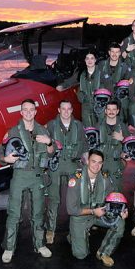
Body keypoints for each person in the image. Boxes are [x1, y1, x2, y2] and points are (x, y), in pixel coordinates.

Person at [0, 99, 54, 263]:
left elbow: (51, 152)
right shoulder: (13, 132)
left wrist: (49, 142)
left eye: (31, 110)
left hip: (37, 176)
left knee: (38, 213)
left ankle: (40, 244)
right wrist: (5, 158)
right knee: (14, 213)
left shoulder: (43, 131)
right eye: (25, 110)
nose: (28, 113)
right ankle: (9, 247)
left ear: (35, 112)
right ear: (21, 113)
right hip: (20, 176)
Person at [66, 150, 128, 267]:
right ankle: (73, 235)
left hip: (100, 213)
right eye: (93, 161)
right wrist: (93, 211)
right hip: (80, 217)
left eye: (100, 163)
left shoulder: (105, 179)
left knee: (119, 222)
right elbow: (71, 209)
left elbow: (115, 197)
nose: (96, 165)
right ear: (87, 161)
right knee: (81, 255)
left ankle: (104, 252)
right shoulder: (76, 179)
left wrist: (122, 210)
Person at [44, 99, 86, 245]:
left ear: (72, 110)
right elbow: (45, 147)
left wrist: (86, 168)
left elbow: (85, 148)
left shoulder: (79, 126)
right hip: (56, 164)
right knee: (54, 198)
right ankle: (51, 229)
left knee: (74, 198)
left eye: (69, 108)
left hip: (73, 164)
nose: (66, 111)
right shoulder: (51, 125)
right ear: (59, 110)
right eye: (64, 108)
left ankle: (75, 230)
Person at [96, 100, 129, 192]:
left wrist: (122, 139)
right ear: (105, 111)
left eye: (114, 109)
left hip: (116, 164)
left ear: (117, 111)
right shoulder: (98, 126)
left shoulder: (122, 126)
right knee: (100, 190)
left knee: (117, 191)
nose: (111, 112)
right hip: (100, 163)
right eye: (109, 109)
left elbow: (130, 147)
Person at [77, 51, 102, 126]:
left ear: (95, 60)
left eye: (92, 58)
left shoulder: (102, 73)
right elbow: (79, 88)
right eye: (87, 58)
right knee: (88, 130)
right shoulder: (82, 74)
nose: (89, 61)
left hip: (100, 104)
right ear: (85, 60)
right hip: (86, 105)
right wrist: (80, 96)